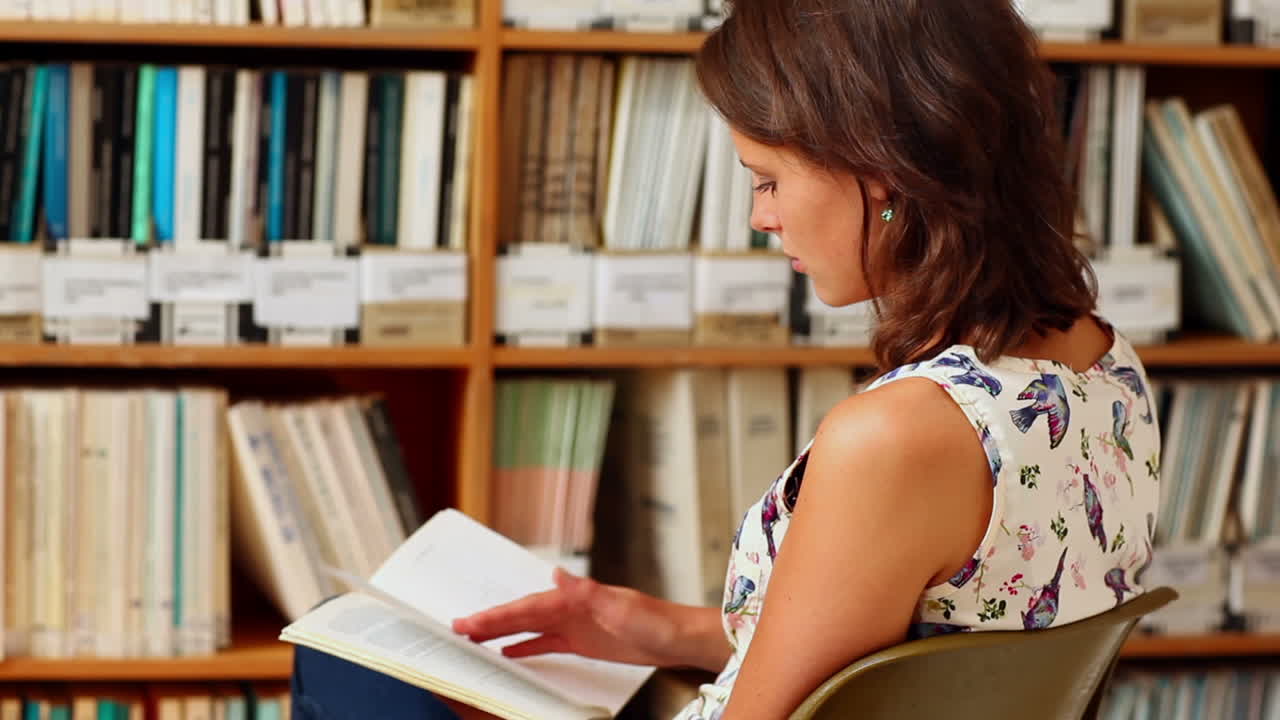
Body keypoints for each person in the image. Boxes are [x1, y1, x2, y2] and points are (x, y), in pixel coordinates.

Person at [291, 0, 1162, 717]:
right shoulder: (1105, 367)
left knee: (349, 660)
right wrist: (638, 623)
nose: (761, 217)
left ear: (884, 172)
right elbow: (897, 656)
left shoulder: (900, 438)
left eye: (769, 179)